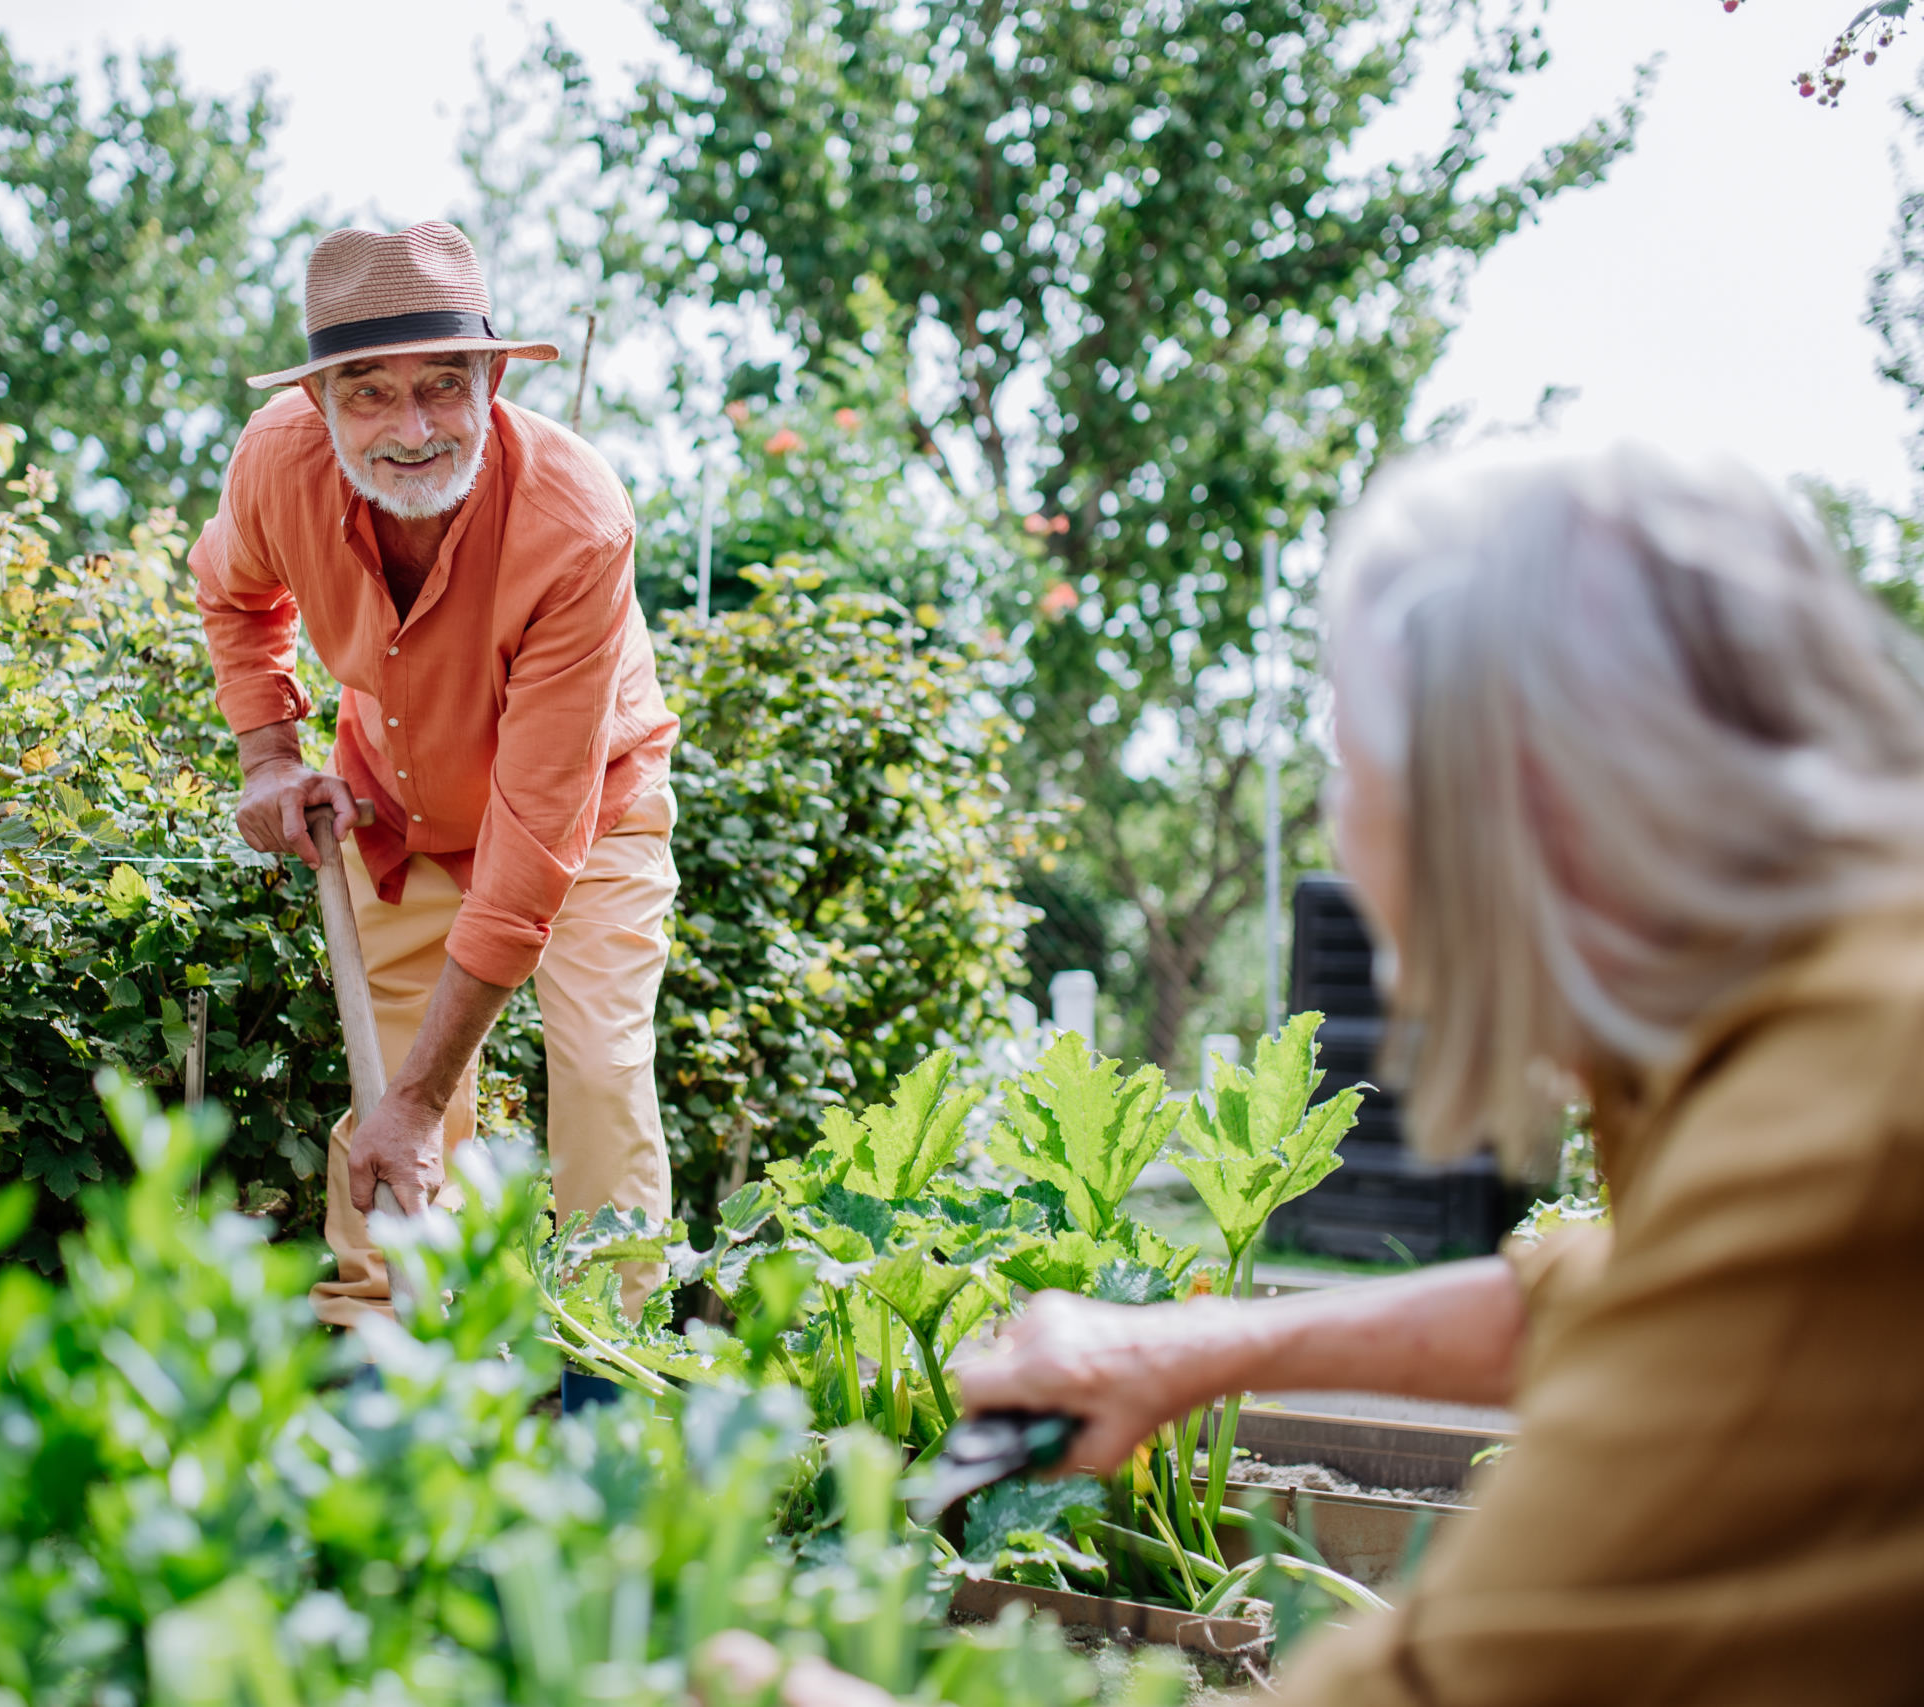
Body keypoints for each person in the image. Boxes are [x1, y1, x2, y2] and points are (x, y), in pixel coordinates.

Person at [794, 445, 1924, 1701]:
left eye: (1353, 762)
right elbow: (1614, 1304)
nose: (1343, 828)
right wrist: (1185, 1352)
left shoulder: (1847, 1134)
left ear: (1513, 797)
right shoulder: (1807, 1022)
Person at [189, 223, 681, 1377]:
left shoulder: (575, 522)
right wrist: (268, 755)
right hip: (398, 806)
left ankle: (613, 1366)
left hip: (584, 813)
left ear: (492, 379)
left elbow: (533, 842)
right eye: (369, 395)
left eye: (441, 387)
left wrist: (423, 1095)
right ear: (318, 402)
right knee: (389, 1094)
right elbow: (233, 595)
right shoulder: (274, 468)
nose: (410, 430)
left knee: (599, 1074)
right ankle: (384, 1360)